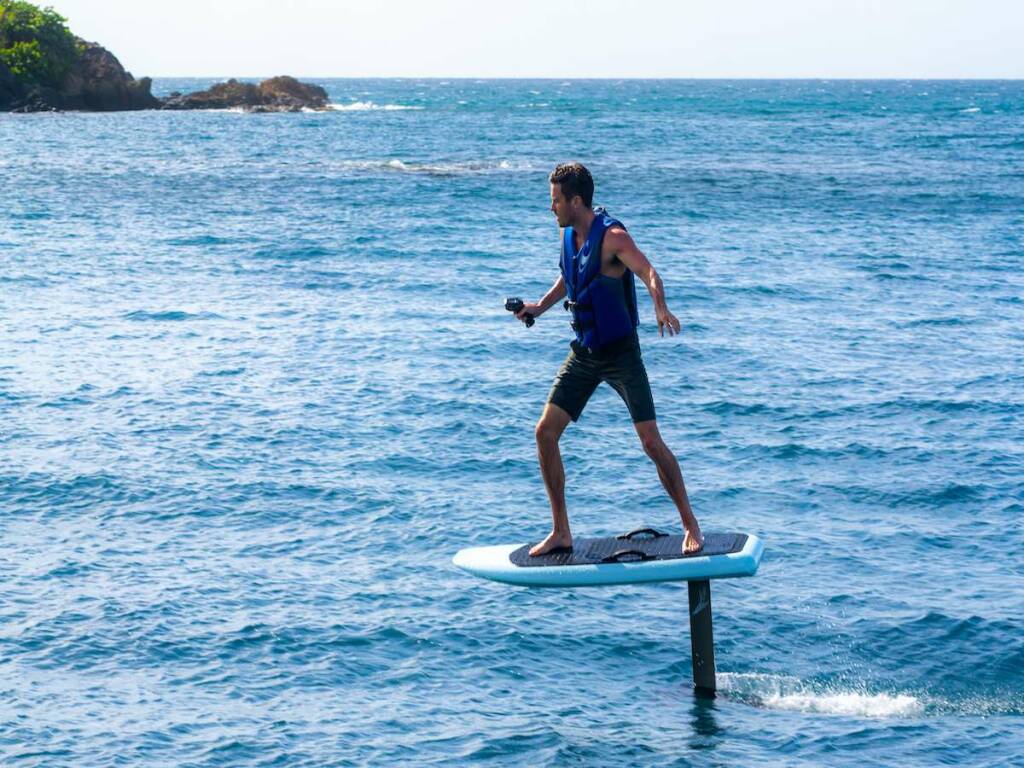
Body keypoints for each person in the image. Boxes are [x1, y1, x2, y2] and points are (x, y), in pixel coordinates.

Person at [514, 162, 704, 557]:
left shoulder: (614, 237)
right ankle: (561, 531)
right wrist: (538, 307)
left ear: (576, 201)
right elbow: (572, 277)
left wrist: (660, 306)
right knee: (545, 433)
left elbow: (648, 272)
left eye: (556, 201)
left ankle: (690, 524)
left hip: (621, 354)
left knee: (650, 442)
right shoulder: (570, 235)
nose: (551, 208)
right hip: (585, 352)